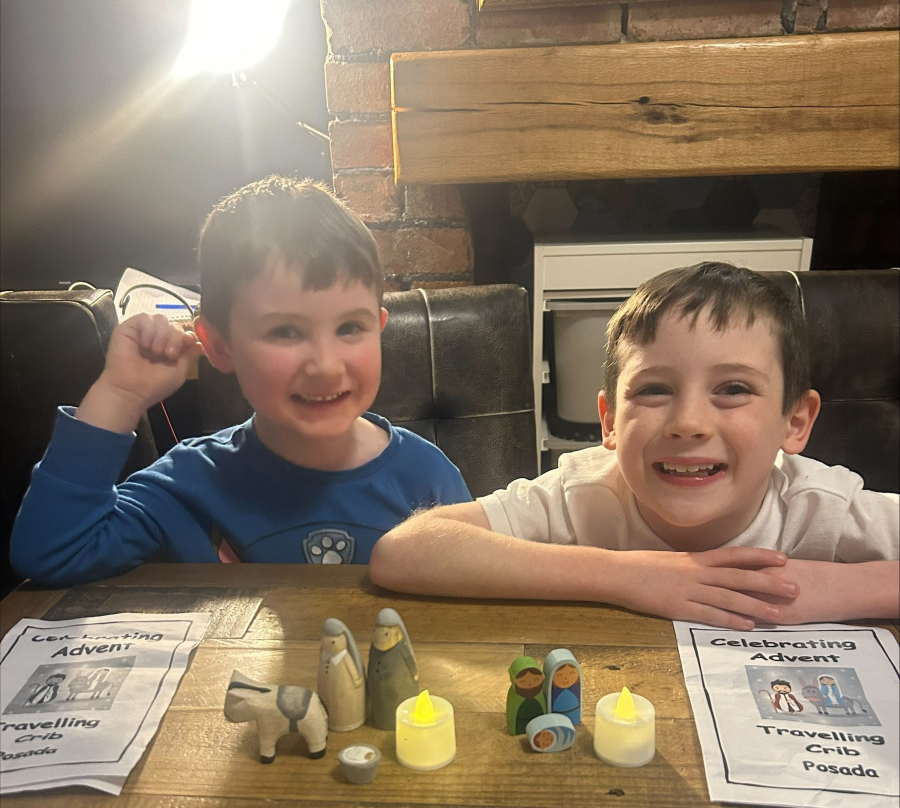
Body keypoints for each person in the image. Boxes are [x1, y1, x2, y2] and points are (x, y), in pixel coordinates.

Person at [370, 262, 899, 630]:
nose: (688, 423)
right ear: (610, 421)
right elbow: (405, 551)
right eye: (653, 390)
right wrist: (628, 576)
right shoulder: (583, 495)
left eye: (733, 389)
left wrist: (831, 588)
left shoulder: (820, 507)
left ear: (795, 422)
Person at [11, 177, 470, 585]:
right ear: (220, 345)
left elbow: (474, 588)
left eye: (350, 327)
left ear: (380, 327)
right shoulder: (190, 482)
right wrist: (120, 395)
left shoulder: (426, 477)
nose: (327, 366)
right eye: (285, 331)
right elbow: (54, 552)